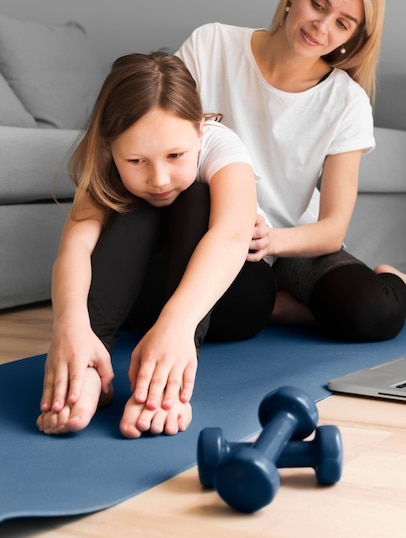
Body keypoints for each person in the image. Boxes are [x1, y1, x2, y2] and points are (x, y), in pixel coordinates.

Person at [176, 0, 406, 342]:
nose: (321, 27)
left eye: (342, 23)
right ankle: (276, 304)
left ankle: (400, 284)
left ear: (352, 38)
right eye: (317, 4)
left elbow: (331, 228)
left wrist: (271, 240)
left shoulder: (347, 102)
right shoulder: (211, 44)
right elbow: (165, 133)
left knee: (372, 313)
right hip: (225, 231)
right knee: (226, 309)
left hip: (294, 239)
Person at [37, 51, 275, 437]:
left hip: (228, 299)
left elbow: (230, 235)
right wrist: (69, 324)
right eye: (135, 160)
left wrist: (177, 326)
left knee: (194, 196)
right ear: (111, 147)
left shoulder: (221, 146)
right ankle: (88, 367)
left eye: (175, 155)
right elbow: (75, 249)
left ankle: (166, 382)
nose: (160, 178)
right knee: (133, 206)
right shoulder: (109, 164)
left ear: (199, 130)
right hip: (145, 304)